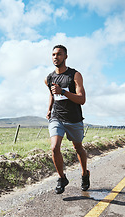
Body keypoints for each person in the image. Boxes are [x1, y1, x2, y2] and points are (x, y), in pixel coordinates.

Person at [45, 45, 89, 194]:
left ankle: (84, 173)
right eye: (53, 54)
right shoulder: (49, 78)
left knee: (78, 148)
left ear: (65, 56)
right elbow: (52, 94)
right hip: (57, 117)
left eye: (59, 54)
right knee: (54, 147)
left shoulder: (74, 75)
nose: (55, 57)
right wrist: (50, 109)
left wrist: (63, 91)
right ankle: (62, 178)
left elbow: (82, 99)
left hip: (74, 119)